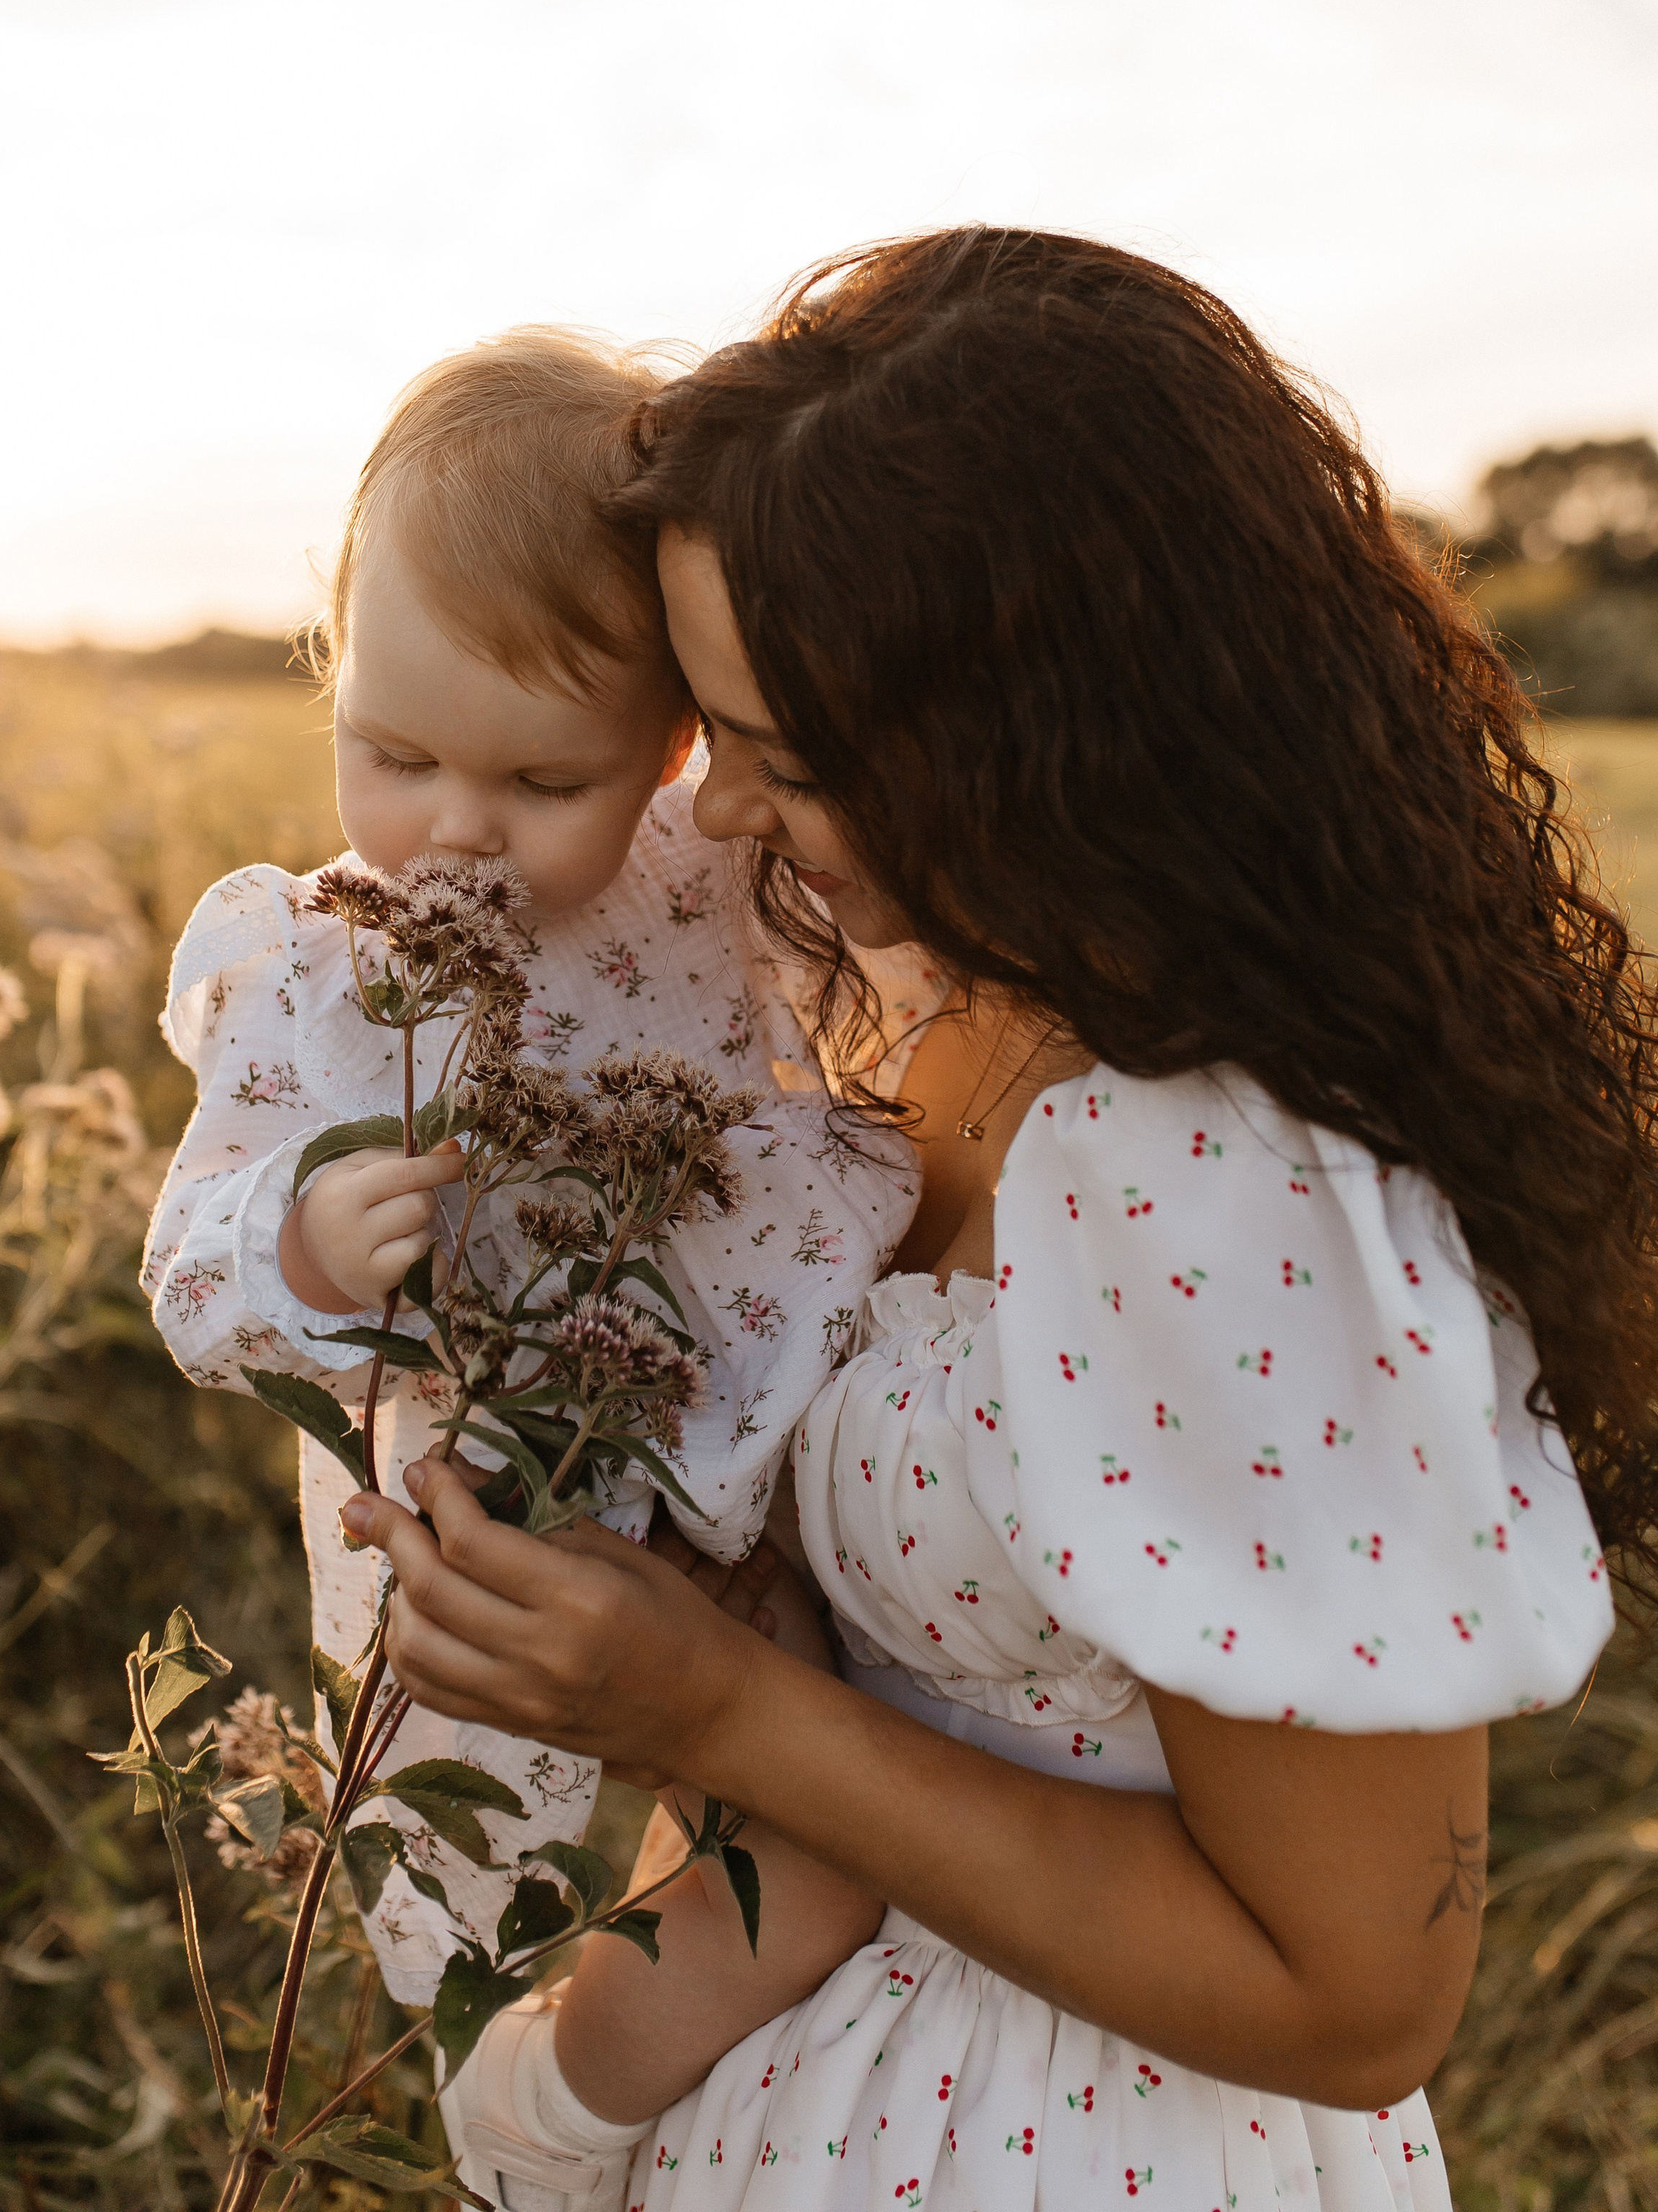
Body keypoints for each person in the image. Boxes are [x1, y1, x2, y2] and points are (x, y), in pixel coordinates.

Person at [345, 230, 1655, 2211]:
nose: (719, 814)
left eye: (785, 759)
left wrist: (714, 1705)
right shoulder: (928, 1021)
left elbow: (1358, 1996)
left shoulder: (1224, 1182)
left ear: (1033, 750)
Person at [141, 326, 918, 2011]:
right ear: (336, 670)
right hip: (482, 1497)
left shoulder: (708, 876)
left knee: (806, 1801)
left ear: (671, 750)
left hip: (761, 1441)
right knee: (461, 1840)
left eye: (544, 778)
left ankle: (758, 2007)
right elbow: (186, 1271)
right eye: (394, 755)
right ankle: (484, 2037)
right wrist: (301, 1241)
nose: (453, 828)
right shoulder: (314, 967)